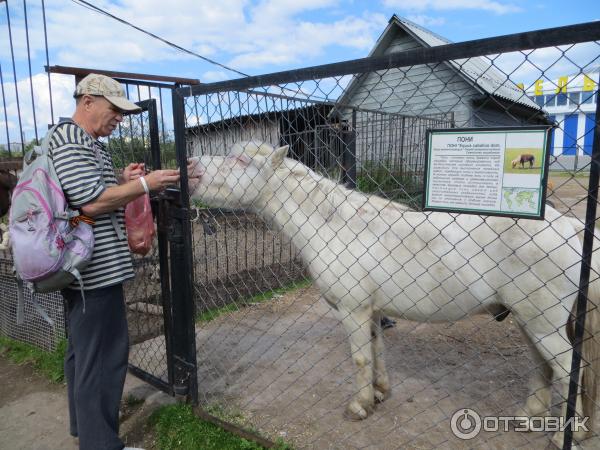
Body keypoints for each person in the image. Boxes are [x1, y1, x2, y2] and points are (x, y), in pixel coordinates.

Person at [49, 73, 182, 450]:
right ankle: (101, 445)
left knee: (83, 354)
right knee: (104, 359)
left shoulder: (90, 144)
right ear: (88, 101)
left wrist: (122, 180)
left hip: (84, 266)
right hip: (93, 271)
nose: (119, 119)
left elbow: (87, 200)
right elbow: (91, 205)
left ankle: (85, 430)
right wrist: (145, 185)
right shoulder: (72, 141)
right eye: (114, 110)